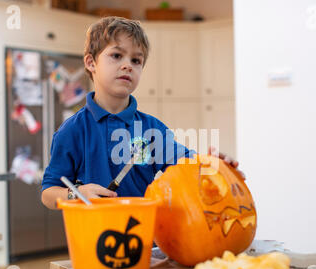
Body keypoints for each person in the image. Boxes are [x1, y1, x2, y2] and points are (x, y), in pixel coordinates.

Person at [41, 16, 241, 210]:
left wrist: (212, 165)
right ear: (91, 63)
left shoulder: (152, 129)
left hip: (143, 236)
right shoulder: (72, 130)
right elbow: (48, 193)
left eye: (136, 60)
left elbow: (185, 164)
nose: (128, 65)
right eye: (117, 55)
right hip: (90, 239)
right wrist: (76, 193)